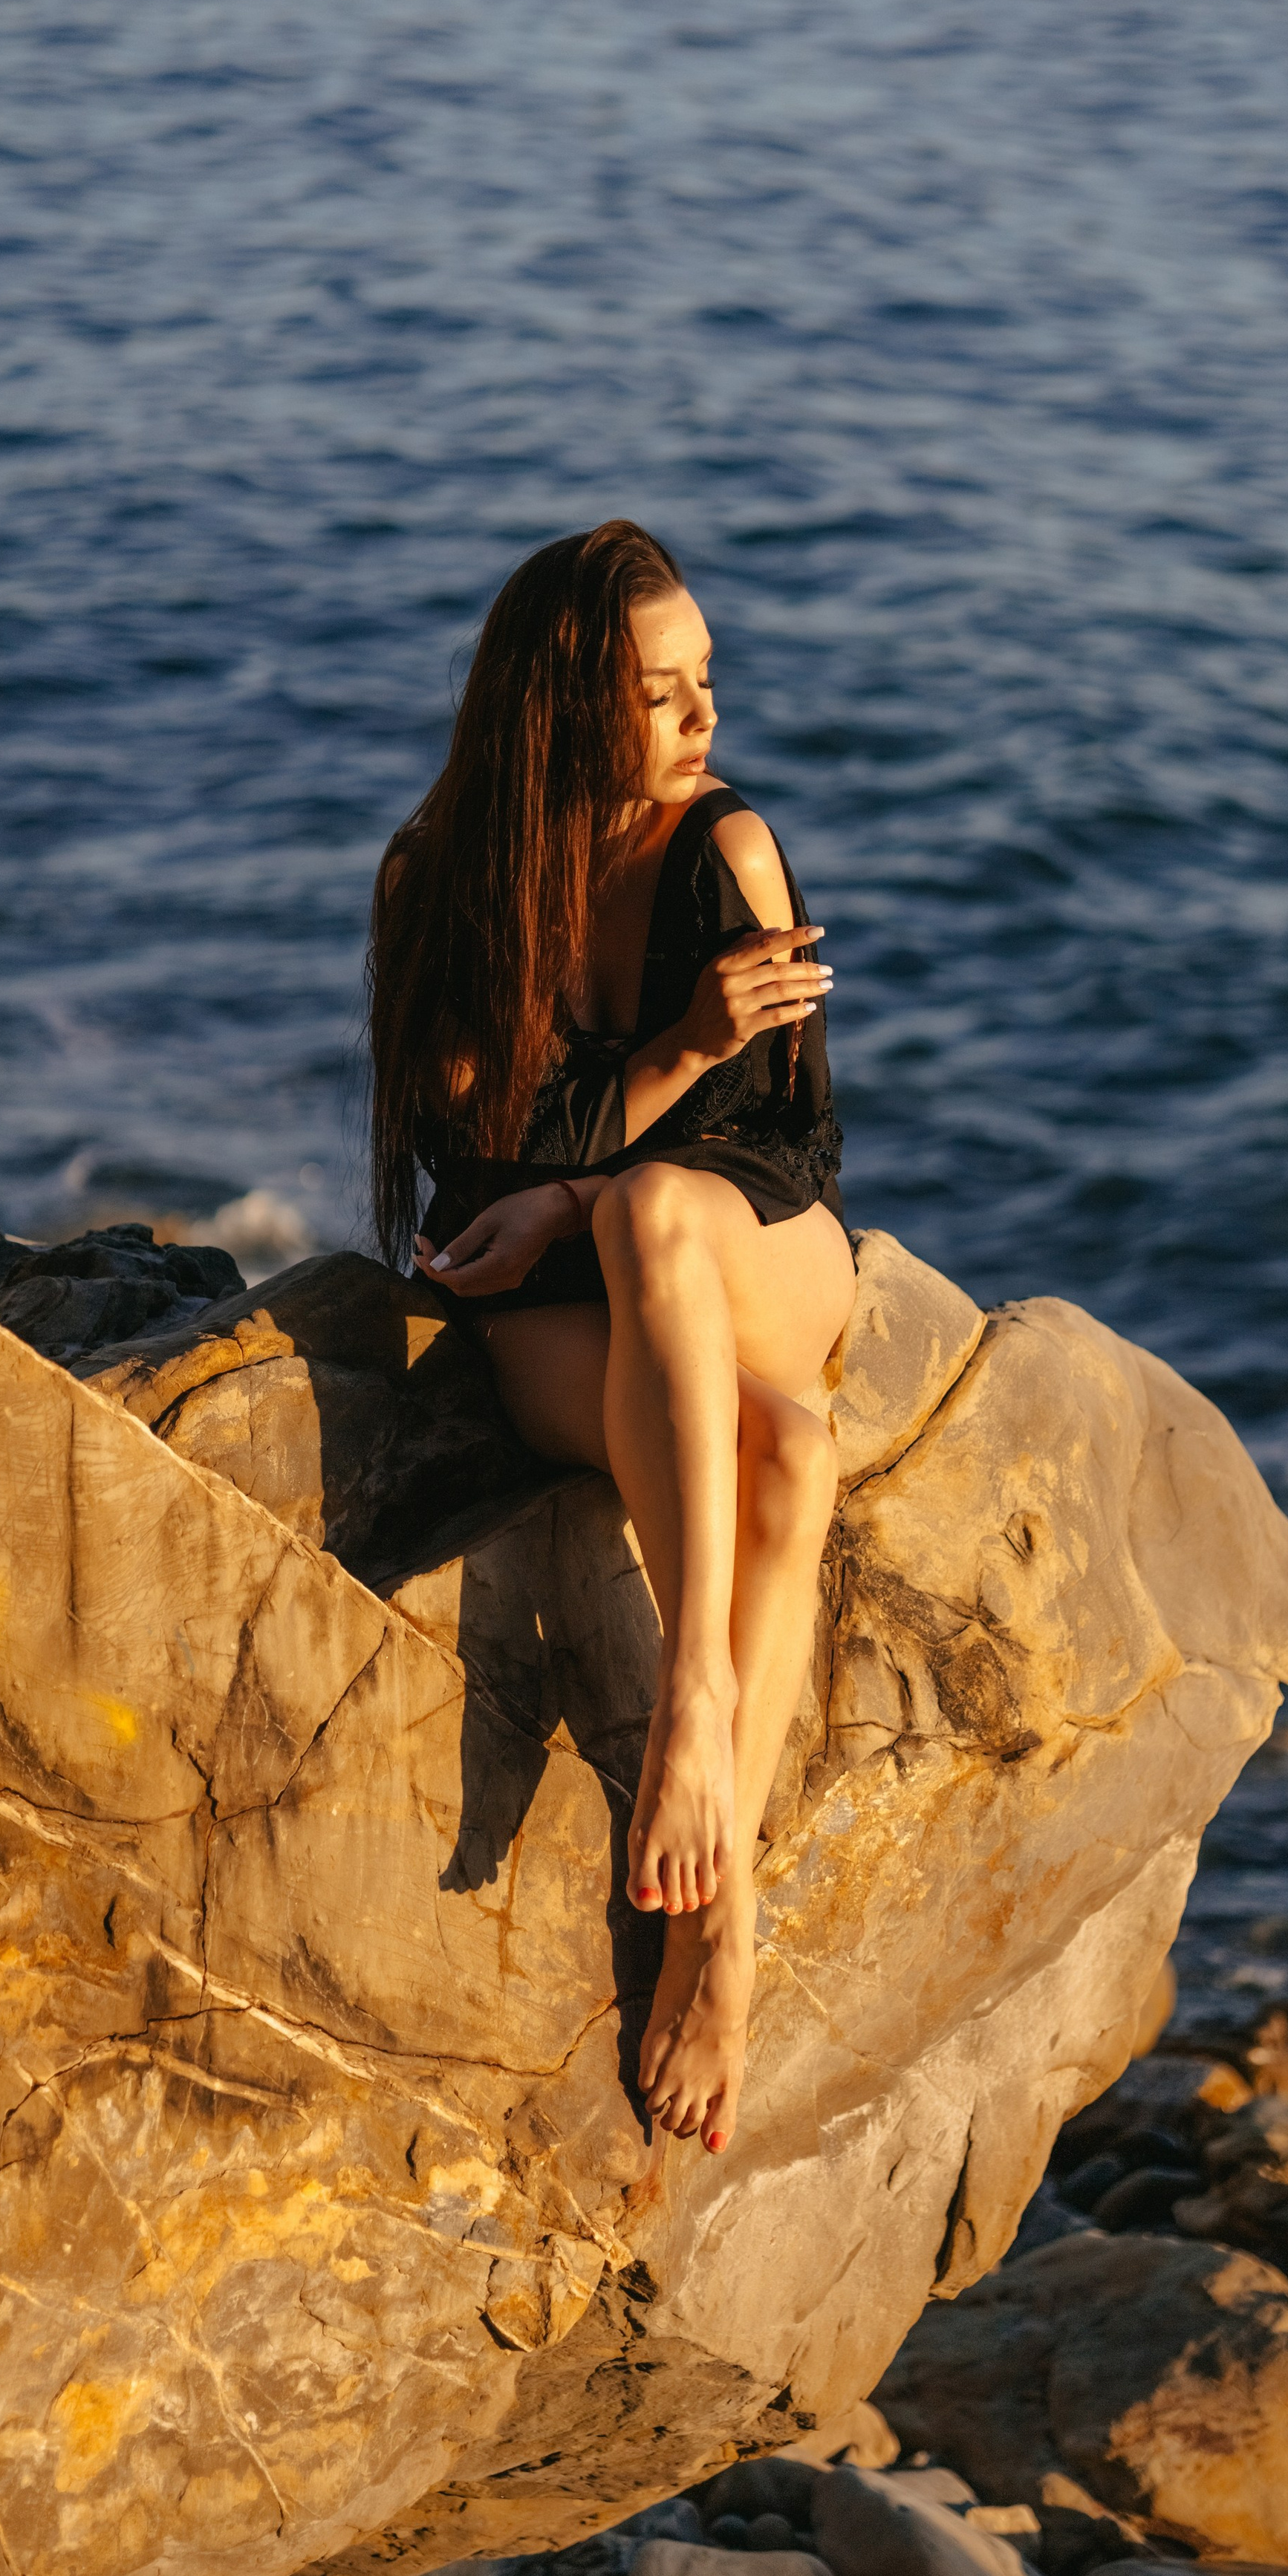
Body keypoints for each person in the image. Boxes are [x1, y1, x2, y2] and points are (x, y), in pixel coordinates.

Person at [367, 520, 855, 2159]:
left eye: (704, 683)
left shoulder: (730, 853)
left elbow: (789, 1150)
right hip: (563, 1309)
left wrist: (589, 1191)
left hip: (750, 1249)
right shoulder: (438, 883)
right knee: (787, 1449)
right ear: (562, 711)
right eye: (660, 696)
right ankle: (725, 1931)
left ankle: (695, 1712)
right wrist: (656, 1072)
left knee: (651, 1211)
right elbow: (468, 1158)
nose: (700, 721)